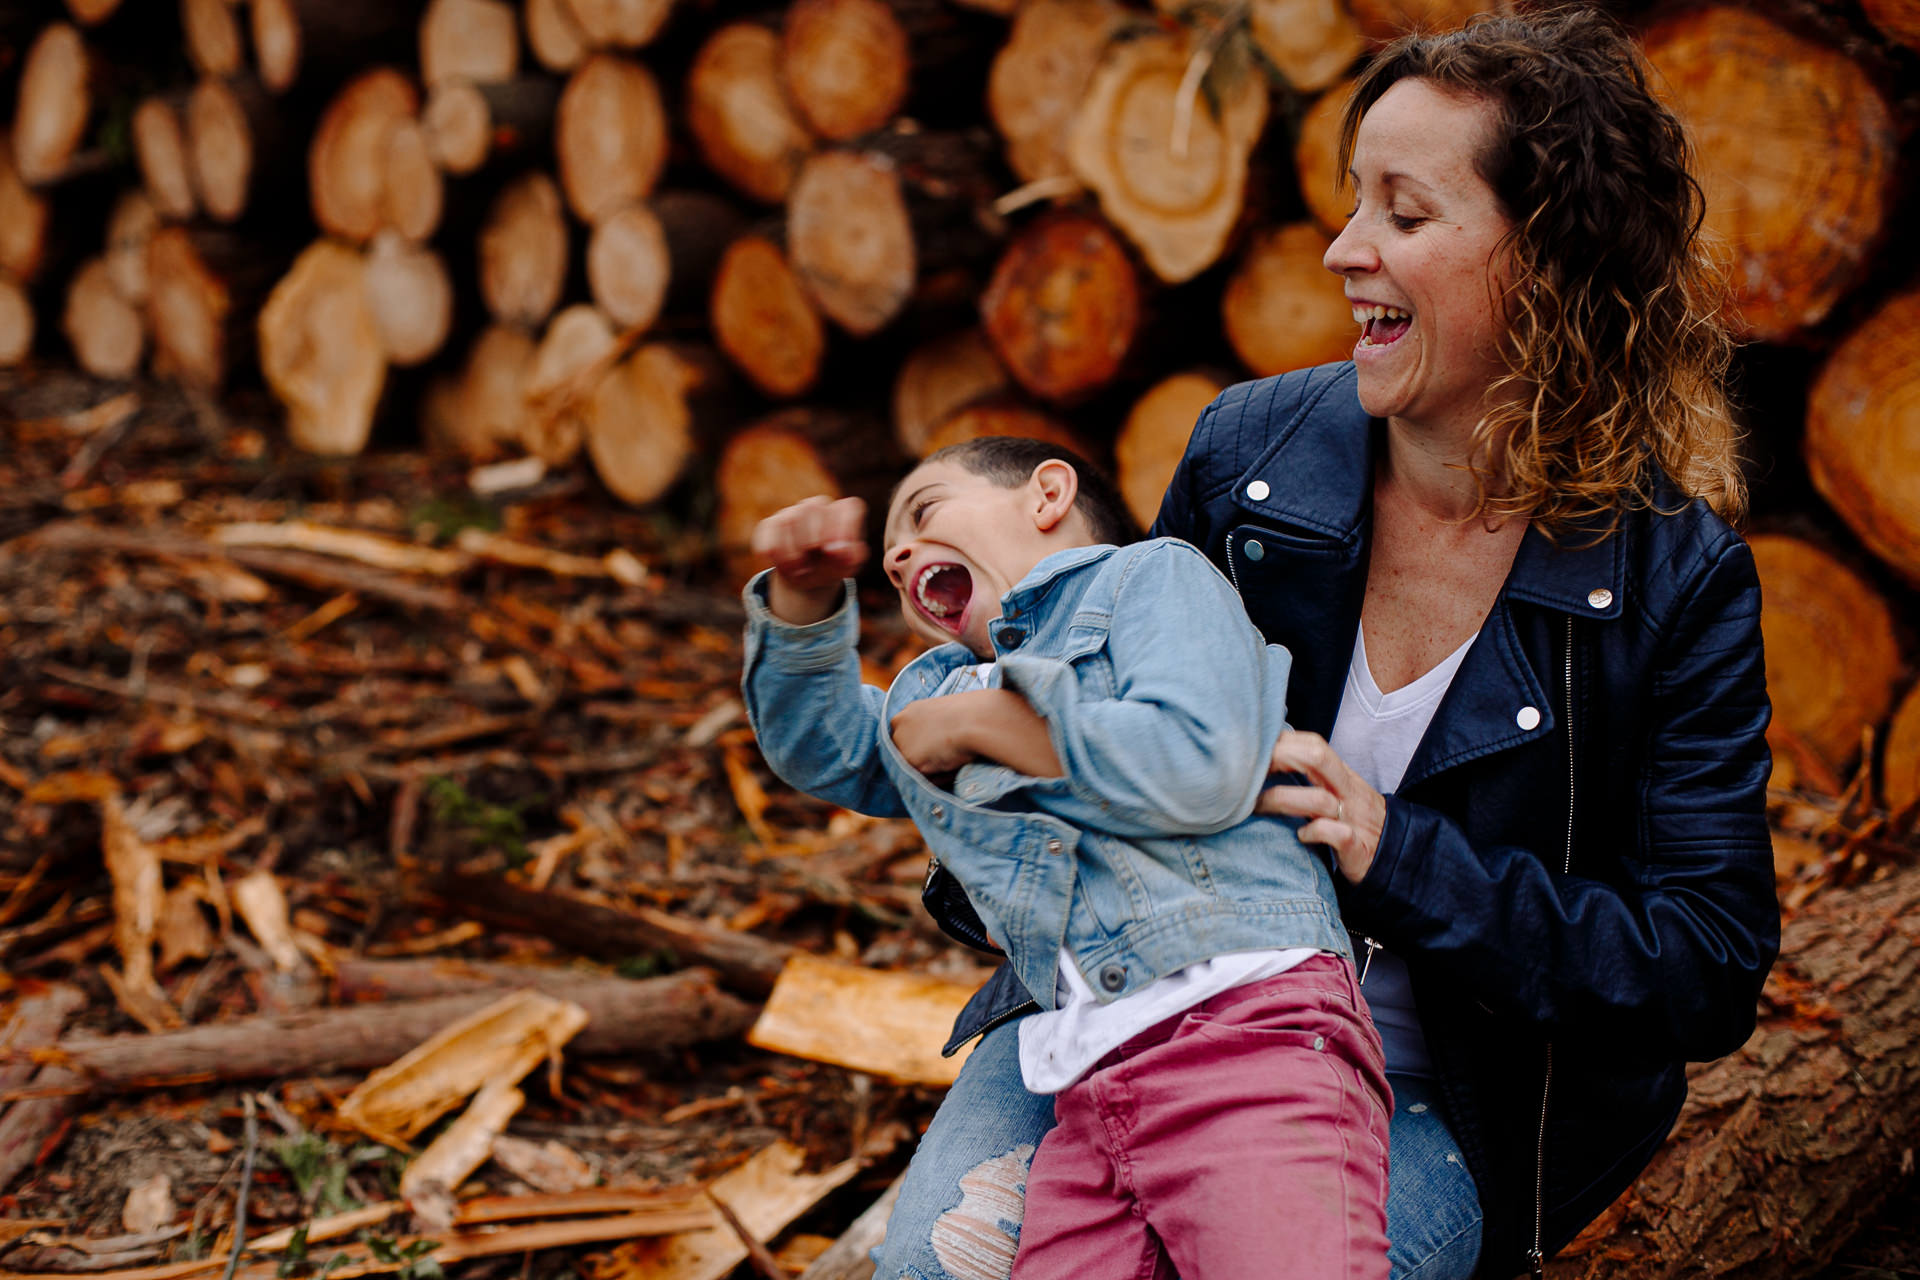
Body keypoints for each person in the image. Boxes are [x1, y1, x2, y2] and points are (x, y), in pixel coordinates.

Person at [858, 9, 1778, 1280]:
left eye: (1405, 215)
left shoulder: (1676, 579)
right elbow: (1081, 757)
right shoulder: (1248, 460)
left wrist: (1399, 854)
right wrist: (990, 768)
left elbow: (1705, 963)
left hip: (1426, 1089)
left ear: (1552, 258)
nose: (1347, 251)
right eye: (1356, 203)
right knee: (932, 1272)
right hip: (1136, 1021)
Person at [741, 437, 1392, 1280]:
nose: (900, 554)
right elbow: (820, 747)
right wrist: (801, 597)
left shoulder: (1151, 579)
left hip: (1244, 1026)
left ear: (1047, 495)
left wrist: (997, 729)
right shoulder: (936, 691)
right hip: (1091, 1084)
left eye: (928, 510)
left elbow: (1201, 763)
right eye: (890, 555)